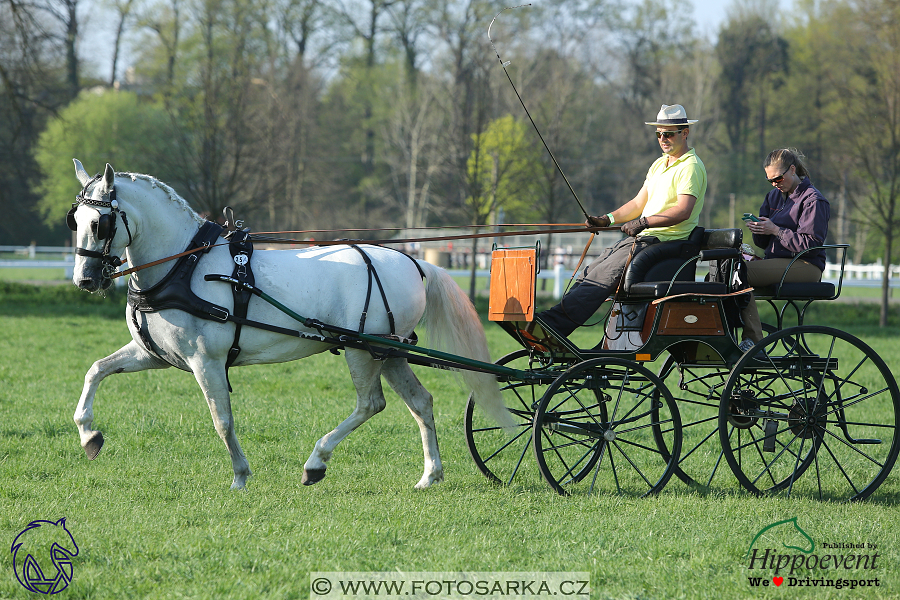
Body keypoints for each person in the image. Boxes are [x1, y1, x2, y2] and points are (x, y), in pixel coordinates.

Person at [532, 104, 707, 337]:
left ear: (685, 133)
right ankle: (551, 322)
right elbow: (637, 204)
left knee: (606, 275)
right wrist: (607, 219)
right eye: (658, 134)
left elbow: (683, 211)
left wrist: (644, 223)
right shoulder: (659, 164)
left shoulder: (690, 166)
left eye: (669, 133)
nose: (662, 138)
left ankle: (553, 326)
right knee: (592, 271)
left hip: (666, 242)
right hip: (645, 240)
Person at [739, 148, 831, 351]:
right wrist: (760, 230)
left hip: (806, 265)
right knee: (727, 268)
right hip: (778, 261)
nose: (774, 184)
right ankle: (726, 333)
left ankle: (753, 342)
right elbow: (763, 245)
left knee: (740, 272)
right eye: (770, 180)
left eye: (778, 179)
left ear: (792, 170)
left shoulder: (813, 200)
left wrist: (776, 230)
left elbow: (811, 247)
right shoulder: (773, 197)